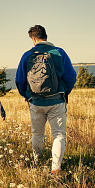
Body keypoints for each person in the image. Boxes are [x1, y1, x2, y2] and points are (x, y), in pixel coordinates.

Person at [15, 25, 76, 175]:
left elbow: (19, 80)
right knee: (59, 135)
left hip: (35, 102)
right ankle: (55, 168)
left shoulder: (27, 55)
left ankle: (37, 160)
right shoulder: (59, 53)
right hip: (56, 101)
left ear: (33, 39)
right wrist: (63, 92)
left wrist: (26, 95)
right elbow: (71, 77)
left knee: (37, 133)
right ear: (46, 36)